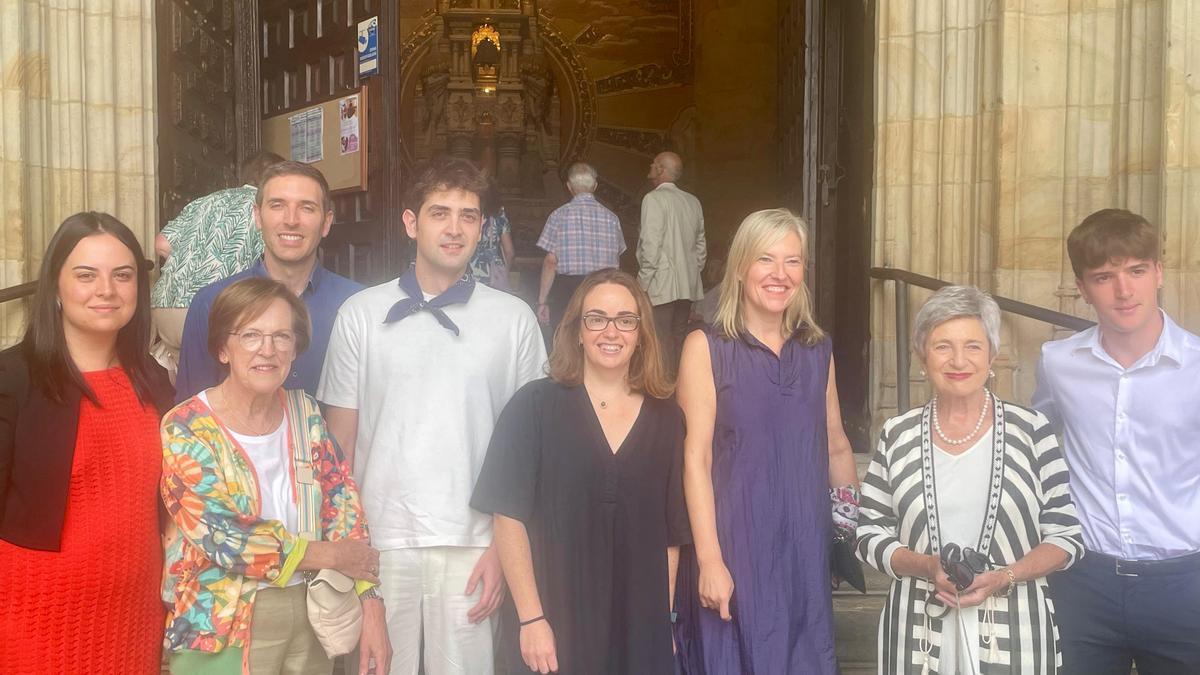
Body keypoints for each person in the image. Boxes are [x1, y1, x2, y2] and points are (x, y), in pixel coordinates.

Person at [318, 158, 547, 674]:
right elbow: (340, 444)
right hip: (381, 541)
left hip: (474, 542)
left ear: (483, 228)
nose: (454, 228)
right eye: (440, 212)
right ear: (410, 223)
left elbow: (530, 451)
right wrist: (350, 554)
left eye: (468, 216)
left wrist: (504, 552)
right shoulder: (360, 314)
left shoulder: (514, 320)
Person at [161, 277, 389, 675]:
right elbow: (226, 538)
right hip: (220, 623)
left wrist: (370, 601)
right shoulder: (186, 426)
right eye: (250, 334)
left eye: (282, 336)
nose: (268, 350)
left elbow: (344, 510)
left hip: (312, 614)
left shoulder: (306, 415)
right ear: (221, 348)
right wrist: (331, 555)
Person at [857, 285, 1085, 674]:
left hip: (1015, 631)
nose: (958, 360)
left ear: (993, 355)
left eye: (973, 346)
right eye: (943, 346)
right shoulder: (898, 434)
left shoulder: (1033, 431)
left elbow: (1066, 537)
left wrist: (1003, 576)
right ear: (920, 355)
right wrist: (927, 566)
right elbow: (869, 535)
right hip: (917, 632)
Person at [471, 269, 690, 674]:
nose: (612, 331)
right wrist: (531, 619)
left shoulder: (668, 420)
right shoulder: (533, 406)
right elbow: (508, 517)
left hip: (637, 629)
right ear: (577, 330)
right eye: (597, 318)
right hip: (552, 625)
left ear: (641, 332)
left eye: (626, 319)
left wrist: (664, 622)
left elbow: (670, 537)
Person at [673, 209, 857, 674]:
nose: (780, 274)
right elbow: (695, 458)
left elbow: (836, 446)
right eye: (766, 260)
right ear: (740, 268)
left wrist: (843, 535)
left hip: (803, 546)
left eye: (793, 262)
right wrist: (710, 560)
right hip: (735, 544)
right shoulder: (707, 346)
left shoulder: (818, 350)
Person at [0, 212, 174, 674]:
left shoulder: (155, 381)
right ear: (55, 286)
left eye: (123, 275)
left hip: (135, 617)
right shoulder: (13, 378)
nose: (107, 290)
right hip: (34, 620)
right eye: (85, 275)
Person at [1033, 209, 1200, 675]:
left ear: (1159, 273)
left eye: (1137, 271)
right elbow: (1037, 446)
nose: (1124, 291)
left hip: (1184, 584)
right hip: (1085, 581)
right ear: (1083, 289)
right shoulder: (1057, 362)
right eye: (1104, 277)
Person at [175, 161, 362, 402]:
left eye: (306, 207)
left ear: (326, 222)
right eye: (277, 205)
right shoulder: (211, 303)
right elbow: (192, 414)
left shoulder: (357, 305)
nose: (291, 220)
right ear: (257, 216)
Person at [151, 151, 285, 380]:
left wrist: (196, 261)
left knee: (187, 386)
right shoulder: (266, 208)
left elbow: (161, 243)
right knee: (224, 387)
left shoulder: (205, 201)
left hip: (165, 306)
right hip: (216, 310)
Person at [535, 162, 625, 338]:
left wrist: (542, 301)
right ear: (595, 186)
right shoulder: (612, 218)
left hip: (568, 291)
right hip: (603, 288)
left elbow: (551, 261)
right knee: (599, 338)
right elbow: (617, 261)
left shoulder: (558, 216)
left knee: (566, 343)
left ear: (569, 187)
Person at [637, 151, 705, 375]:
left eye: (654, 163)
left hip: (660, 283)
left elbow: (651, 244)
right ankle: (681, 387)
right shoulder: (693, 201)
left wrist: (642, 283)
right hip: (687, 285)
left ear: (661, 170)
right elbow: (700, 247)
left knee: (660, 338)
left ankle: (663, 391)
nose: (650, 165)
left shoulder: (653, 199)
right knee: (678, 337)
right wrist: (692, 274)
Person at [471, 206, 516, 291]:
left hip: (468, 271)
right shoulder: (499, 217)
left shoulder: (467, 215)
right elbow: (509, 252)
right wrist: (505, 271)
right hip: (492, 274)